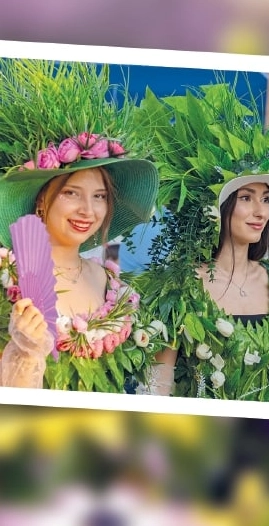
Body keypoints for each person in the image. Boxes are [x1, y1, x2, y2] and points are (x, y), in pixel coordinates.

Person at [134, 83, 269, 401]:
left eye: (266, 199)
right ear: (217, 208)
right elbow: (156, 388)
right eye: (246, 197)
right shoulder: (181, 289)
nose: (260, 211)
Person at [0, 59, 159, 389]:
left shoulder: (111, 283)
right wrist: (23, 352)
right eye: (72, 192)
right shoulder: (7, 280)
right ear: (42, 200)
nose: (88, 210)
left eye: (100, 196)